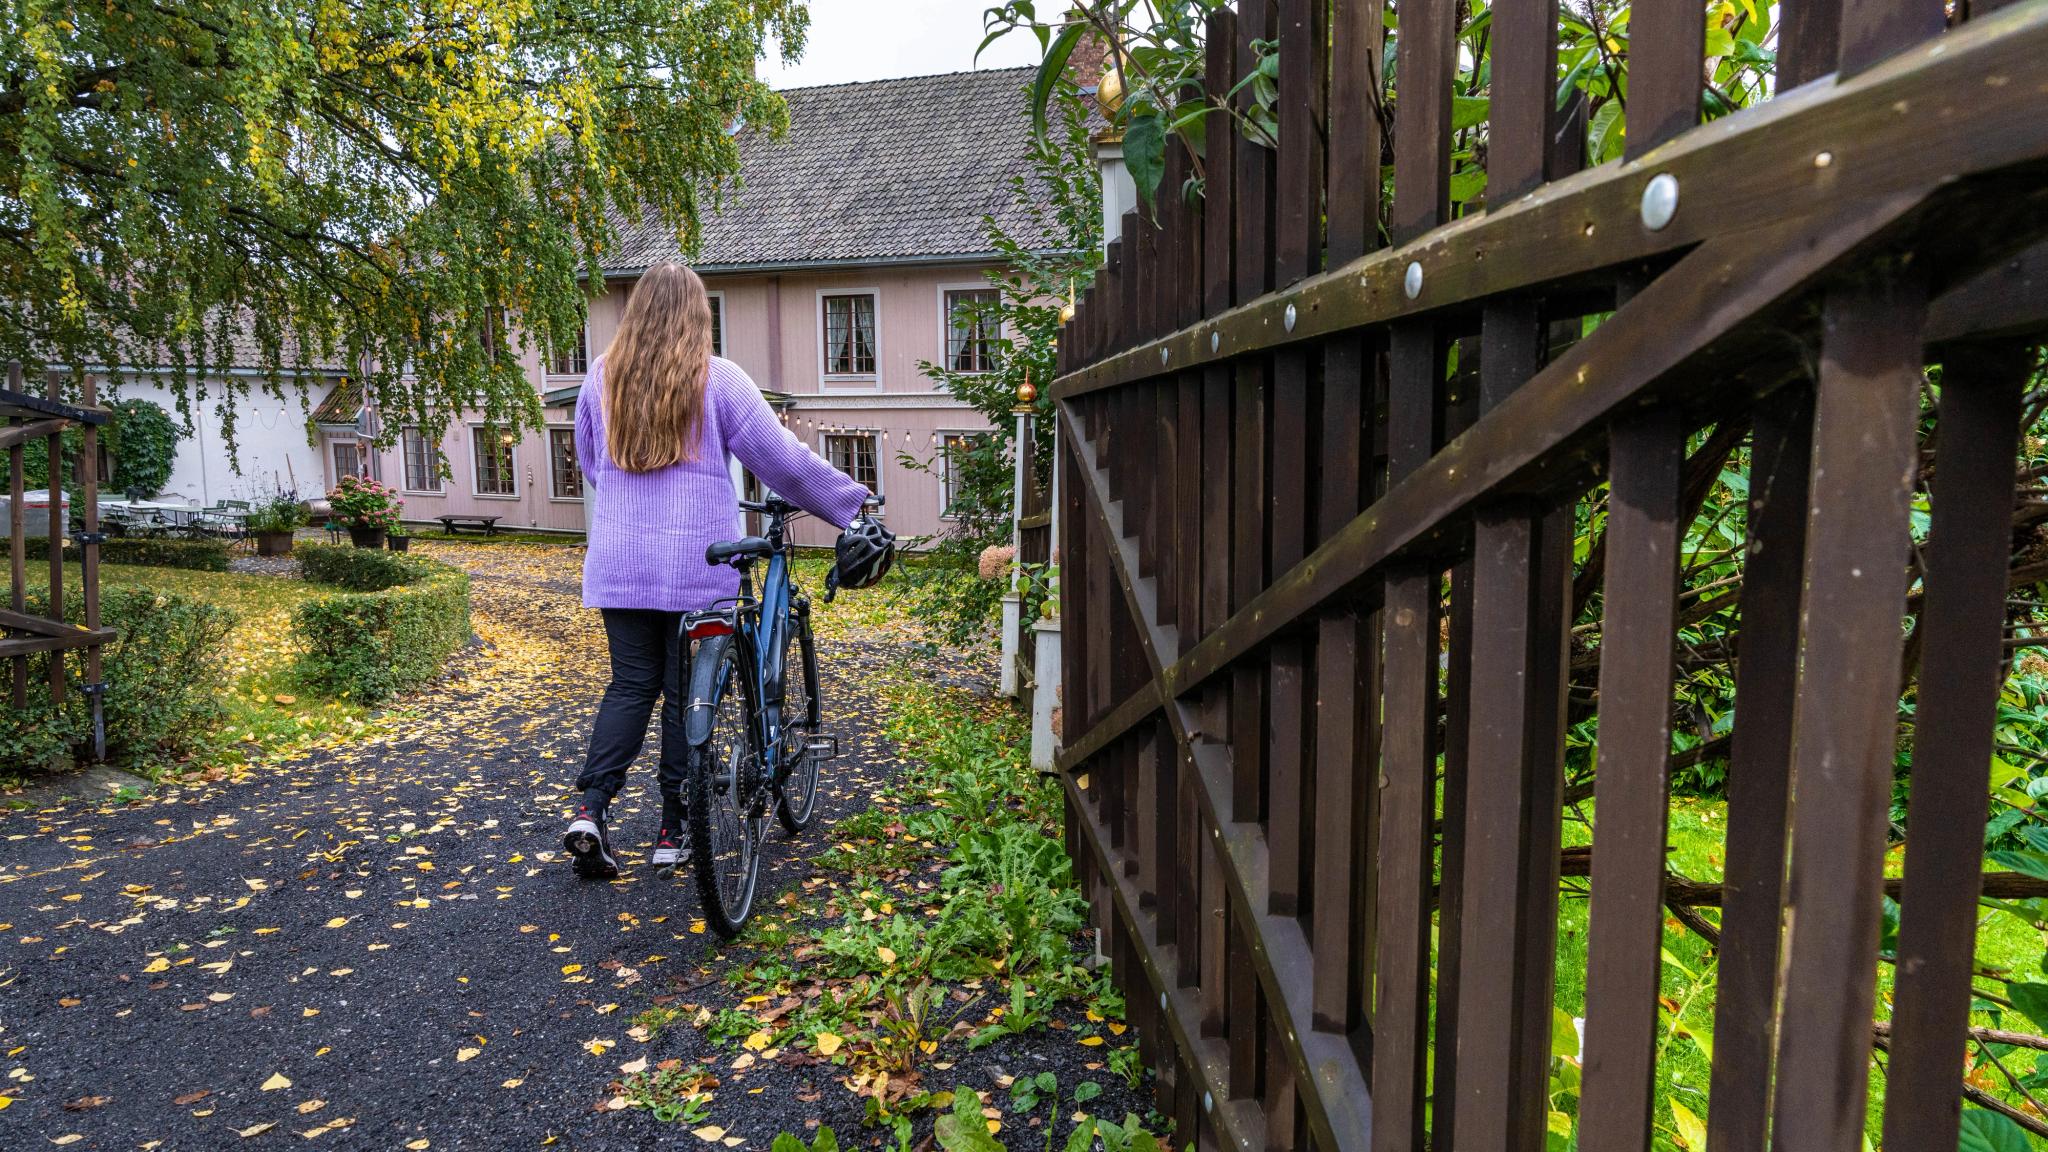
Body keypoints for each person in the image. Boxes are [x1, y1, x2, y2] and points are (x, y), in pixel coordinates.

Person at [563, 262, 877, 879]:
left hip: (621, 567)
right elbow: (780, 460)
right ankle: (673, 829)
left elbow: (591, 465)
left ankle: (591, 809)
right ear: (699, 316)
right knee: (686, 696)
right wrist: (853, 505)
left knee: (630, 687)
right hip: (696, 567)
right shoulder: (718, 380)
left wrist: (634, 513)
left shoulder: (599, 379)